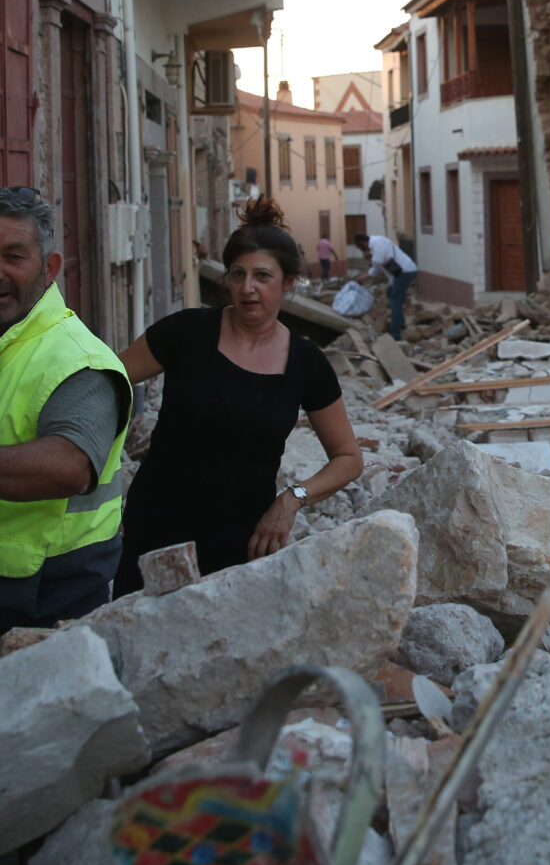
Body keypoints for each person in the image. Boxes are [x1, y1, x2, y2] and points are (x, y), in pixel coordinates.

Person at [0, 187, 132, 676]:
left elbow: (67, 467)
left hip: (46, 602)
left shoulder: (78, 361)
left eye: (13, 257)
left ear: (50, 267)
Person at [114, 199, 363, 587]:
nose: (247, 288)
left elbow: (348, 458)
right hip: (155, 534)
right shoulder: (186, 332)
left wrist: (292, 498)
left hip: (244, 544)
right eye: (238, 274)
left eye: (262, 276)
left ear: (288, 283)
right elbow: (108, 379)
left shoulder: (306, 363)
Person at [352, 231, 419, 339]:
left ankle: (395, 333)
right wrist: (363, 278)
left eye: (362, 249)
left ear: (363, 243)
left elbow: (379, 260)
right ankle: (400, 321)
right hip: (399, 274)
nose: (363, 252)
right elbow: (376, 269)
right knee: (390, 293)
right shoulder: (375, 250)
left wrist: (369, 256)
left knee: (394, 301)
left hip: (405, 272)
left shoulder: (377, 242)